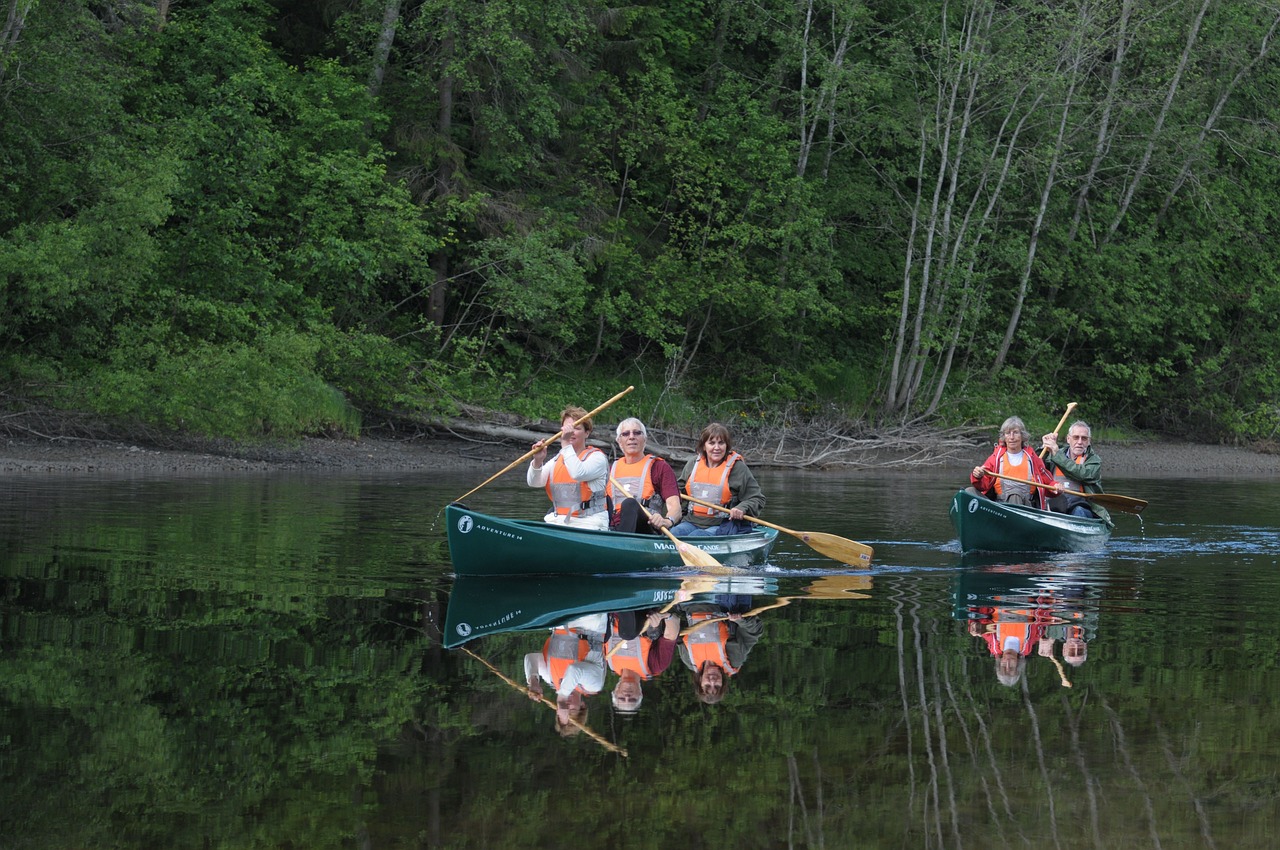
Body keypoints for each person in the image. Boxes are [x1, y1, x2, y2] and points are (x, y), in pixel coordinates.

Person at [670, 423, 766, 537]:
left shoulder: (738, 468)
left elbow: (757, 498)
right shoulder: (692, 464)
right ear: (704, 446)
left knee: (697, 536)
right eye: (711, 443)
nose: (717, 448)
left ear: (726, 446)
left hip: (722, 525)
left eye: (721, 443)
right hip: (691, 521)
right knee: (673, 533)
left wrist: (741, 508)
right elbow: (677, 492)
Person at [526, 405, 608, 529]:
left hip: (590, 523)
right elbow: (534, 482)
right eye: (567, 428)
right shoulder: (557, 459)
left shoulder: (597, 458)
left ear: (587, 433)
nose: (570, 432)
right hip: (558, 521)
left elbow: (578, 473)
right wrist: (538, 460)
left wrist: (565, 444)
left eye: (576, 428)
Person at [524, 613, 607, 735]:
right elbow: (575, 671)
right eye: (571, 709)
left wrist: (533, 681)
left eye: (563, 710)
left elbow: (531, 658)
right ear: (582, 705)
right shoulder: (593, 685)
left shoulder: (551, 678)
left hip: (559, 622)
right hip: (589, 621)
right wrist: (561, 698)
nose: (566, 705)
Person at [676, 596, 763, 704]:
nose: (712, 681)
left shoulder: (689, 661)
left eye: (707, 685)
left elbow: (675, 634)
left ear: (700, 681)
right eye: (717, 686)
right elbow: (755, 631)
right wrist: (741, 621)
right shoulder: (734, 659)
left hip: (689, 601)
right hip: (719, 600)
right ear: (722, 683)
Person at [606, 417, 682, 533]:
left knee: (629, 503)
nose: (631, 437)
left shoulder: (659, 467)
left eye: (637, 433)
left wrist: (667, 521)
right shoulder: (611, 469)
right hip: (613, 527)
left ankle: (621, 542)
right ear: (619, 441)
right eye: (625, 434)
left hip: (646, 527)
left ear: (645, 439)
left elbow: (674, 506)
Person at [969, 416, 1056, 509]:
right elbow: (983, 485)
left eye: (1015, 433)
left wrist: (1055, 487)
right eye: (1007, 433)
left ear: (1022, 436)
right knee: (969, 492)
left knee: (1015, 495)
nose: (1011, 437)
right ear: (1004, 437)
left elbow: (1048, 483)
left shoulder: (1032, 458)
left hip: (1026, 507)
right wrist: (977, 476)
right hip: (1000, 506)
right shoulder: (996, 458)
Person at [606, 609, 680, 714]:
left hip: (613, 611)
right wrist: (665, 616)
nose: (627, 696)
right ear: (640, 693)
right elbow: (671, 635)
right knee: (629, 633)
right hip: (643, 612)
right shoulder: (655, 666)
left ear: (615, 691)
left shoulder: (609, 662)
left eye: (621, 698)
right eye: (632, 699)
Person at [1040, 419, 1112, 525]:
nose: (1079, 442)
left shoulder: (1094, 460)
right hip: (1054, 503)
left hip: (1082, 506)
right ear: (1068, 439)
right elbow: (1037, 468)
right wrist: (1044, 448)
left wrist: (1056, 454)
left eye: (1084, 438)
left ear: (1089, 441)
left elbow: (1081, 474)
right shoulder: (1053, 453)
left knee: (1079, 511)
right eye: (1075, 437)